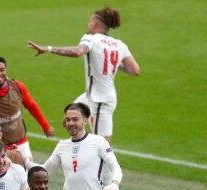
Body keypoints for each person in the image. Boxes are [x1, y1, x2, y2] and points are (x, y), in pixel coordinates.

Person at [27, 7, 140, 142]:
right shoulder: (119, 45)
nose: (88, 25)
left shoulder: (91, 39)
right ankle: (81, 148)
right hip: (91, 95)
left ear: (95, 24)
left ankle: (89, 154)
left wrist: (48, 49)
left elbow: (77, 52)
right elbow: (134, 70)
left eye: (89, 22)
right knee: (68, 120)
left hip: (100, 101)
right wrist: (113, 65)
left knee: (101, 147)